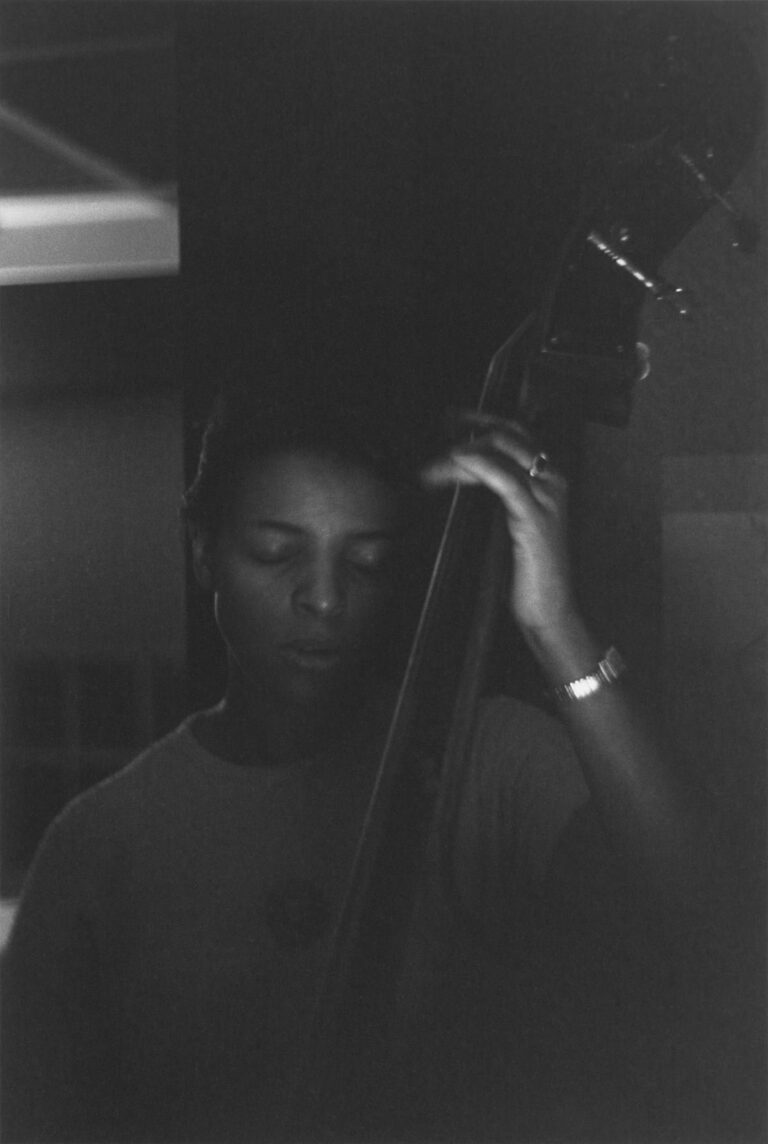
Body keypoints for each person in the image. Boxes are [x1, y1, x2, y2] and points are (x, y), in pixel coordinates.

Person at [2, 383, 699, 1144]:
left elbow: (692, 909)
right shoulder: (97, 842)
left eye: (366, 563)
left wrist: (557, 625)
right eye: (276, 553)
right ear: (203, 552)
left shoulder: (488, 752)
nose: (326, 599)